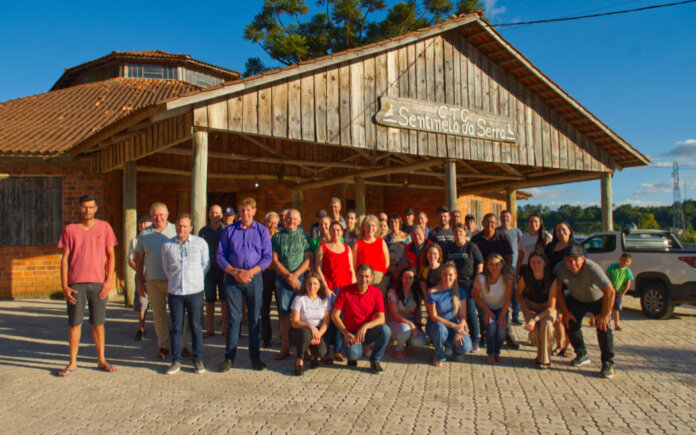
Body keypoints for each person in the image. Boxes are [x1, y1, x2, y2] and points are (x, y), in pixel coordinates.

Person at [57, 195, 117, 376]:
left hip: (98, 283)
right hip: (76, 284)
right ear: (79, 208)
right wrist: (64, 285)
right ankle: (72, 362)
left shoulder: (105, 227)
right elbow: (65, 259)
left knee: (98, 323)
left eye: (91, 207)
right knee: (75, 323)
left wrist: (108, 281)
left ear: (96, 208)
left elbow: (111, 256)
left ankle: (101, 360)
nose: (87, 210)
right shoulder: (70, 229)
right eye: (84, 207)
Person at [217, 197, 273, 372]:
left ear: (255, 211)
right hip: (233, 278)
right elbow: (220, 255)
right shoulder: (229, 231)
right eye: (242, 210)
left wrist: (250, 273)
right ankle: (229, 357)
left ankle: (255, 357)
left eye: (249, 210)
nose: (246, 213)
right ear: (238, 212)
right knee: (234, 319)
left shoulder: (262, 231)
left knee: (254, 319)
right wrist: (234, 272)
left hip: (254, 278)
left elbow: (267, 257)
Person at [553, 244, 617, 378]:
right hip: (576, 299)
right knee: (569, 324)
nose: (572, 263)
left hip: (598, 299)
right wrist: (565, 311)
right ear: (565, 260)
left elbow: (610, 292)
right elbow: (557, 291)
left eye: (576, 259)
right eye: (569, 260)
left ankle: (608, 363)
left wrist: (605, 315)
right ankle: (582, 353)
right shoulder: (560, 268)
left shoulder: (592, 268)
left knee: (604, 328)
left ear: (582, 259)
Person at [162, 214, 210, 375]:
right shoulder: (168, 245)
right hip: (175, 292)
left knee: (196, 327)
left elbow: (205, 264)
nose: (181, 229)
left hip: (194, 291)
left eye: (184, 226)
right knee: (176, 327)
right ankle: (176, 360)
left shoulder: (200, 243)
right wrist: (176, 280)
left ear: (191, 227)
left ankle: (197, 360)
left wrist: (195, 279)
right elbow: (166, 268)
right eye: (178, 226)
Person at [135, 202, 181, 360]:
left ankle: (183, 346)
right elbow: (139, 260)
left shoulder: (176, 229)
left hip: (174, 280)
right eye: (155, 215)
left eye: (161, 214)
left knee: (179, 315)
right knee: (159, 315)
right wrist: (140, 282)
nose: (158, 218)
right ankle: (164, 346)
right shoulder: (144, 234)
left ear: (167, 215)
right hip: (153, 281)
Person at [331, 264, 391, 373]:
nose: (364, 279)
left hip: (368, 332)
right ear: (356, 276)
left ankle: (375, 360)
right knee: (354, 355)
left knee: (386, 330)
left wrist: (365, 326)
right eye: (361, 276)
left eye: (367, 276)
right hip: (351, 334)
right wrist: (345, 332)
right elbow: (334, 315)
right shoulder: (345, 291)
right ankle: (352, 356)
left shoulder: (376, 293)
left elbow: (381, 319)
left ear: (372, 277)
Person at [471, 212, 517, 349]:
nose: (489, 225)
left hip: (501, 276)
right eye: (487, 222)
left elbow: (509, 257)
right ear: (483, 223)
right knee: (482, 306)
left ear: (496, 225)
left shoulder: (503, 237)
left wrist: (507, 274)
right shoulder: (476, 239)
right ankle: (484, 335)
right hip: (484, 276)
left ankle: (508, 335)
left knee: (505, 305)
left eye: (492, 222)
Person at [271, 209, 312, 360]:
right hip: (283, 280)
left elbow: (308, 259)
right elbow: (274, 260)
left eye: (295, 219)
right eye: (289, 218)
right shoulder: (277, 237)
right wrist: (288, 276)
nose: (291, 221)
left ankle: (305, 349)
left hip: (301, 281)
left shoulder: (305, 236)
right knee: (284, 315)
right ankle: (285, 348)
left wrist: (295, 276)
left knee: (303, 315)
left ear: (300, 221)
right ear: (284, 220)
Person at [315, 221, 356, 362]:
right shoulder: (323, 247)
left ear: (342, 232)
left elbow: (351, 269)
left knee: (342, 319)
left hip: (345, 290)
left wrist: (354, 287)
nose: (336, 233)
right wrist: (325, 286)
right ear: (329, 231)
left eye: (338, 230)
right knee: (329, 320)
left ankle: (338, 351)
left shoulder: (347, 248)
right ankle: (326, 352)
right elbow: (318, 269)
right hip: (330, 290)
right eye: (333, 230)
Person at [445, 223, 484, 352]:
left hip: (468, 283)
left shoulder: (471, 247)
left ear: (465, 232)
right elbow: (444, 264)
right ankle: (453, 337)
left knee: (471, 311)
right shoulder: (450, 248)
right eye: (455, 231)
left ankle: (475, 340)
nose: (458, 234)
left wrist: (477, 279)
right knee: (454, 312)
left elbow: (480, 263)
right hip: (453, 284)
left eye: (460, 231)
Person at [425, 262, 473, 366]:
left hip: (454, 325)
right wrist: (454, 326)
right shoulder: (433, 292)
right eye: (444, 275)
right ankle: (438, 353)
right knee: (440, 329)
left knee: (467, 347)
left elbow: (463, 316)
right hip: (437, 324)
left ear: (455, 276)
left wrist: (459, 330)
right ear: (441, 275)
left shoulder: (460, 292)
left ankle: (453, 353)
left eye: (450, 275)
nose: (447, 277)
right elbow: (433, 317)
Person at [517, 252, 556, 369]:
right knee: (534, 331)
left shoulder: (552, 279)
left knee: (547, 324)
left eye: (539, 262)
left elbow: (551, 307)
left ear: (545, 263)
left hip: (547, 308)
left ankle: (544, 358)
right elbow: (518, 294)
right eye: (533, 262)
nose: (536, 265)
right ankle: (540, 351)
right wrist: (527, 312)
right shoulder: (526, 276)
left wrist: (535, 319)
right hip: (531, 306)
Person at [289, 272, 332, 376]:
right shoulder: (299, 298)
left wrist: (318, 335)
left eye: (315, 284)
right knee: (306, 333)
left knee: (322, 352)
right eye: (309, 283)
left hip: (317, 331)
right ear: (305, 284)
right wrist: (309, 326)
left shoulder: (325, 299)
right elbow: (294, 321)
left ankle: (314, 357)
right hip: (300, 330)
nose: (312, 286)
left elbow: (326, 323)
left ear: (319, 285)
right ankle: (299, 360)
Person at [473, 253, 513, 364]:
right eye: (491, 264)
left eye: (497, 264)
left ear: (502, 265)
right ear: (487, 265)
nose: (494, 267)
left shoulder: (508, 278)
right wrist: (487, 311)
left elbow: (508, 299)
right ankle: (490, 354)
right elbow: (475, 296)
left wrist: (502, 317)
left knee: (501, 329)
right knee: (491, 326)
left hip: (501, 307)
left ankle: (497, 353)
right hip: (485, 306)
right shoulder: (481, 278)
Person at [544, 221, 574, 357]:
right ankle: (559, 344)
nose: (561, 233)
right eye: (558, 230)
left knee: (568, 317)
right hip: (554, 284)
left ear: (569, 230)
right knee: (557, 318)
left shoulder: (575, 247)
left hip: (571, 286)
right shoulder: (550, 247)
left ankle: (568, 346)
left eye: (563, 230)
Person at [198, 204, 226, 338]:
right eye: (212, 212)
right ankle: (210, 329)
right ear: (208, 214)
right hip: (208, 270)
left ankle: (225, 328)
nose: (214, 215)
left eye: (217, 213)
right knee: (209, 300)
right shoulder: (203, 232)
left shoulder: (226, 230)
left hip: (224, 269)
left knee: (225, 299)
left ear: (221, 215)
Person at [387, 268, 425, 360]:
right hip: (395, 323)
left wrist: (417, 325)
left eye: (410, 278)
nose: (408, 280)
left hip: (411, 322)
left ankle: (409, 343)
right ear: (401, 278)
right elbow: (394, 314)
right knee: (405, 329)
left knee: (419, 342)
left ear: (414, 279)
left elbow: (418, 312)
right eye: (405, 277)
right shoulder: (393, 292)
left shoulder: (416, 294)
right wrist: (410, 324)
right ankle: (399, 349)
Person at [353, 215, 390, 297]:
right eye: (368, 225)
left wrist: (380, 275)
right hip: (363, 278)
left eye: (373, 226)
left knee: (379, 303)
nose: (371, 228)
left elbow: (387, 262)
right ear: (363, 227)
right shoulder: (358, 244)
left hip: (379, 278)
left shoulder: (381, 242)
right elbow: (353, 265)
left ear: (377, 228)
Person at [497, 210, 523, 325]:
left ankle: (516, 315)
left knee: (514, 291)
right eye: (503, 217)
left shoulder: (517, 232)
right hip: (497, 266)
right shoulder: (497, 231)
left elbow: (521, 248)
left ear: (511, 218)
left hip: (512, 266)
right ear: (500, 218)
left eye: (507, 216)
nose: (505, 218)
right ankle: (502, 313)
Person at [128, 216, 152, 341]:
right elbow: (130, 259)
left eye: (146, 225)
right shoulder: (134, 241)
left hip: (155, 275)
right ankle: (141, 328)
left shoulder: (156, 240)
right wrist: (140, 270)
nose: (143, 228)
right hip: (141, 275)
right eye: (141, 225)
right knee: (142, 302)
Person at [261, 211, 280, 346]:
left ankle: (283, 337)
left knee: (281, 307)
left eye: (274, 222)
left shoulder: (280, 236)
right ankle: (266, 337)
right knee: (264, 307)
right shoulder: (260, 234)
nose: (272, 225)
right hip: (264, 273)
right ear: (265, 222)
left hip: (278, 273)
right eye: (270, 222)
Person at [607, 253, 633, 331]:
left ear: (630, 263)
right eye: (623, 260)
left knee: (616, 309)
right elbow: (606, 277)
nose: (625, 262)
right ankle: (595, 320)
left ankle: (616, 324)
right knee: (605, 307)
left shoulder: (627, 272)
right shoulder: (612, 267)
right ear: (620, 259)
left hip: (618, 292)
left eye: (627, 261)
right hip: (609, 291)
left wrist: (623, 293)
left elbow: (628, 283)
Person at [384, 214, 410, 279]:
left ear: (400, 223)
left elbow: (409, 252)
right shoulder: (385, 238)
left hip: (403, 265)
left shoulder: (406, 236)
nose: (393, 224)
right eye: (391, 222)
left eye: (396, 222)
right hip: (390, 266)